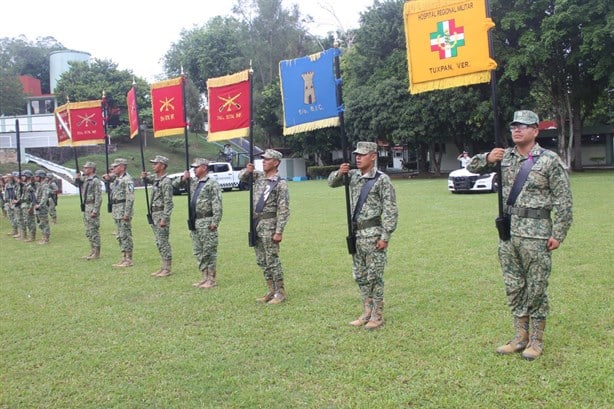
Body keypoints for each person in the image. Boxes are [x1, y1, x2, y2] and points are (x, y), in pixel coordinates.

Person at [467, 110, 573, 360]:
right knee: (514, 286)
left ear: (535, 131)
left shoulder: (548, 160)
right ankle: (519, 337)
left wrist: (559, 233)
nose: (517, 130)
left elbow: (564, 200)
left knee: (536, 288)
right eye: (514, 126)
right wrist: (487, 157)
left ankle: (536, 340)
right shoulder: (504, 157)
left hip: (536, 235)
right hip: (508, 233)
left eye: (523, 126)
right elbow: (472, 167)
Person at [328, 141, 398, 330]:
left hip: (374, 234)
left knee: (374, 276)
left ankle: (377, 314)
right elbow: (331, 183)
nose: (357, 157)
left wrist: (385, 237)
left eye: (362, 154)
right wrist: (339, 172)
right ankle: (366, 312)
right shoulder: (352, 176)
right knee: (360, 275)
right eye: (356, 154)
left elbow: (391, 210)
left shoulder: (382, 179)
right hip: (356, 235)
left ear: (373, 156)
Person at [239, 149, 290, 304]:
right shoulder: (258, 177)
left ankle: (280, 292)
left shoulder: (280, 184)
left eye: (267, 159)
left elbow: (284, 209)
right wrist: (247, 170)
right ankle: (271, 290)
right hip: (256, 223)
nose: (263, 161)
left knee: (272, 259)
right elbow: (242, 178)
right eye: (263, 159)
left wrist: (279, 231)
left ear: (276, 162)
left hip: (270, 225)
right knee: (261, 259)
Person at [173, 158, 223, 288]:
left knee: (208, 251)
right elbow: (175, 186)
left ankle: (211, 279)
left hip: (207, 220)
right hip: (195, 221)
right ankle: (204, 276)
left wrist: (215, 221)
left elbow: (217, 204)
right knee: (198, 251)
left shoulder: (212, 183)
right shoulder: (194, 182)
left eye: (196, 167)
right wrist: (183, 178)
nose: (194, 170)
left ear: (204, 168)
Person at [142, 155, 174, 277]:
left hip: (161, 214)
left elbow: (169, 202)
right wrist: (145, 178)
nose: (153, 166)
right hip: (154, 213)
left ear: (162, 166)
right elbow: (149, 180)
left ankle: (167, 268)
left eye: (156, 164)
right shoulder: (157, 179)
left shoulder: (166, 181)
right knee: (158, 241)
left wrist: (164, 218)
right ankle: (163, 266)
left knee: (163, 241)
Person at [103, 158, 135, 268]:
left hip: (123, 209)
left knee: (125, 235)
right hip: (117, 209)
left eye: (116, 166)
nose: (113, 168)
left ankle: (129, 259)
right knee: (119, 235)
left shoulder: (127, 179)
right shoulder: (117, 179)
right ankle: (123, 256)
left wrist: (127, 213)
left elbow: (130, 197)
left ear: (122, 167)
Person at [75, 162, 103, 260]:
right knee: (89, 230)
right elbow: (77, 183)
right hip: (86, 206)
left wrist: (95, 210)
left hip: (92, 205)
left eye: (86, 168)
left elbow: (98, 197)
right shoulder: (86, 179)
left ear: (91, 169)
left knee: (94, 230)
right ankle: (92, 250)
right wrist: (77, 178)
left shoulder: (95, 181)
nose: (84, 169)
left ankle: (97, 252)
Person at [19, 169, 37, 242]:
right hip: (25, 205)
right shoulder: (25, 185)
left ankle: (32, 237)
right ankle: (31, 236)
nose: (22, 178)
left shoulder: (30, 187)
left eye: (24, 176)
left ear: (27, 176)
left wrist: (32, 208)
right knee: (27, 221)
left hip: (29, 205)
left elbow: (33, 198)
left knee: (30, 222)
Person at [33, 170, 51, 244]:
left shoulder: (45, 185)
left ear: (41, 177)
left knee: (44, 223)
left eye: (37, 176)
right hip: (38, 206)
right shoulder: (39, 185)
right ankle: (43, 237)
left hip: (42, 207)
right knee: (40, 223)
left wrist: (40, 205)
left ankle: (46, 238)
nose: (35, 178)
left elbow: (44, 196)